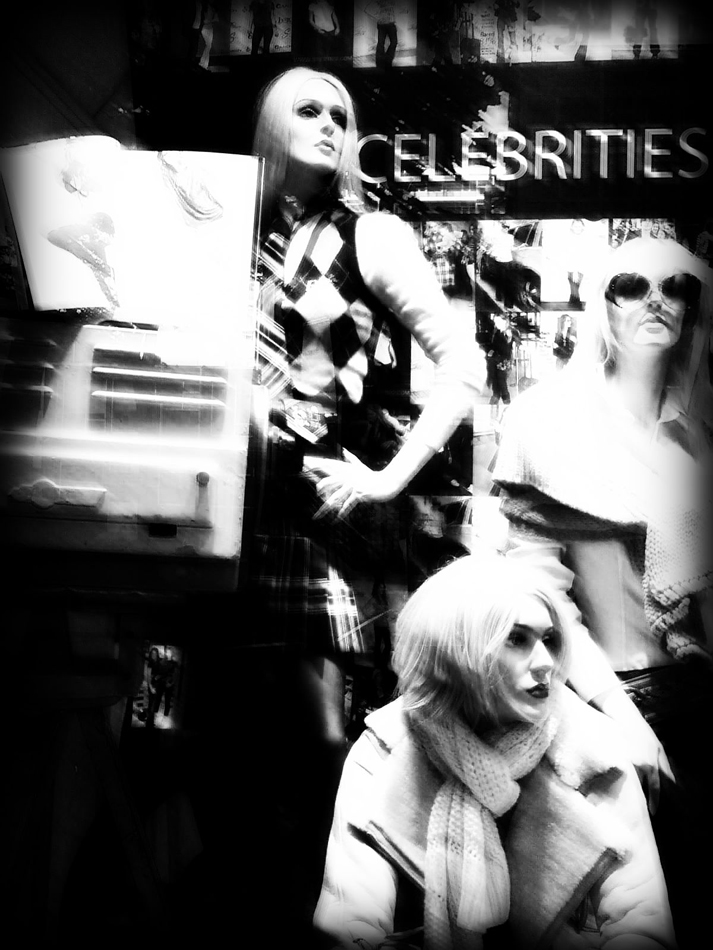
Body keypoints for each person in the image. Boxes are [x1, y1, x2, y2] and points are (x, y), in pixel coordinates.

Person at [247, 65, 483, 910]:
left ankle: (326, 913)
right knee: (209, 738)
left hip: (312, 520)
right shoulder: (223, 226)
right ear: (269, 122)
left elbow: (462, 366)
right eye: (307, 109)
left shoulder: (367, 235)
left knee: (318, 743)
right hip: (219, 510)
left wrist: (387, 478)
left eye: (340, 116)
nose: (328, 125)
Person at [492, 235, 712, 948]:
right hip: (599, 705)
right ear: (602, 302)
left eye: (676, 287)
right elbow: (538, 598)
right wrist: (622, 722)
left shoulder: (701, 432)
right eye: (631, 285)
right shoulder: (547, 421)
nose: (656, 300)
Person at [313, 552, 676, 949]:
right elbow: (350, 924)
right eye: (516, 639)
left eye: (549, 639)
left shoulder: (593, 750)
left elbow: (642, 921)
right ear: (455, 648)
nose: (546, 663)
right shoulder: (386, 749)